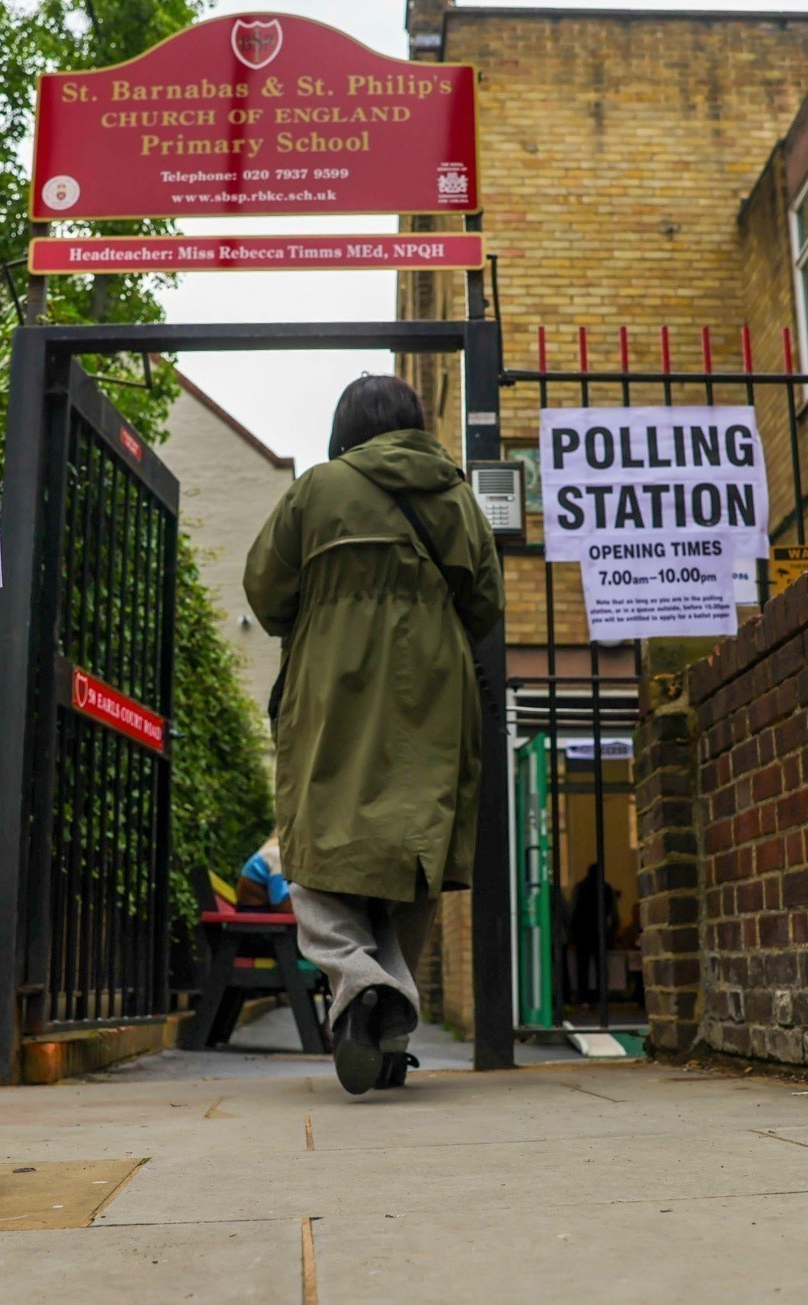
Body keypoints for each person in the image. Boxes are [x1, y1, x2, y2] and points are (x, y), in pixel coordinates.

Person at [244, 375, 503, 1095]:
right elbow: (485, 602)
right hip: (434, 689)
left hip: (334, 686)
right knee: (410, 859)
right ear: (416, 421)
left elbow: (265, 591)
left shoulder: (318, 489)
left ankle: (359, 983)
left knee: (319, 853)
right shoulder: (456, 495)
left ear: (345, 426)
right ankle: (387, 1032)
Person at [568, 863, 620, 1006]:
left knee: (582, 967)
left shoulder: (580, 888)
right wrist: (613, 932)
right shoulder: (606, 888)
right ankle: (600, 996)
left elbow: (572, 910)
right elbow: (614, 914)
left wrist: (571, 932)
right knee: (600, 967)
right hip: (599, 932)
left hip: (582, 932)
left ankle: (583, 996)